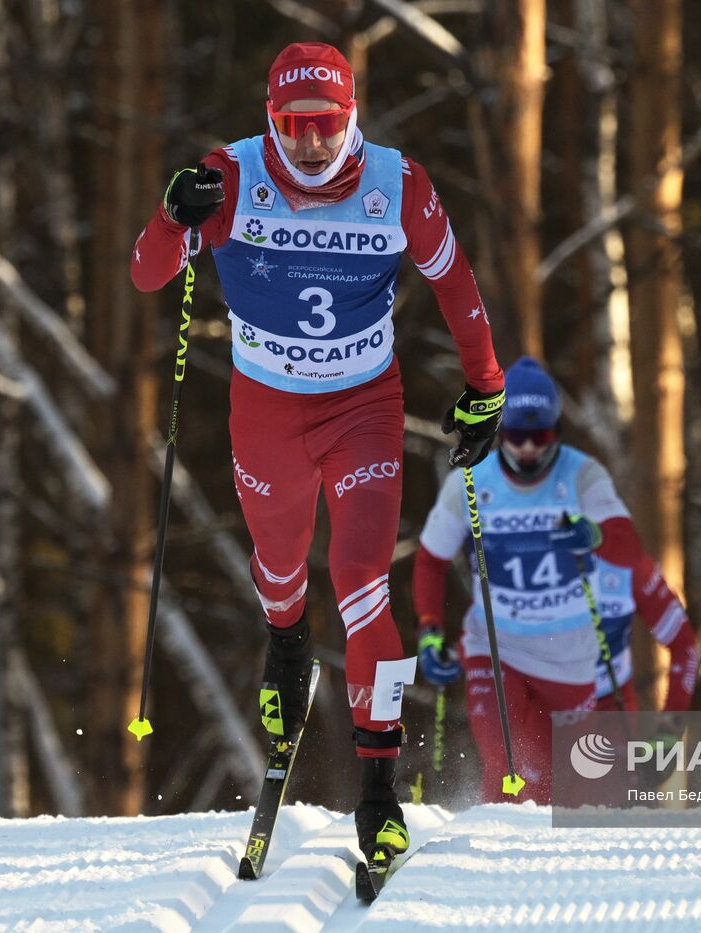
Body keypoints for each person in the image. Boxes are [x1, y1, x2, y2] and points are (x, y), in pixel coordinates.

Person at [130, 42, 504, 869]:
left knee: (367, 582)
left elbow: (457, 284)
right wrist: (170, 217)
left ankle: (379, 790)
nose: (310, 144)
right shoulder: (229, 178)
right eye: (294, 126)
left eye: (326, 125)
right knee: (280, 569)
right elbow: (148, 275)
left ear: (352, 117)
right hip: (266, 412)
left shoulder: (395, 183)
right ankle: (288, 643)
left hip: (364, 407)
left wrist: (488, 386)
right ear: (271, 120)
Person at [412, 357, 694, 803]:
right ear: (500, 433)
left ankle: (555, 865)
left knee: (557, 789)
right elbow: (430, 560)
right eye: (516, 436)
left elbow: (627, 546)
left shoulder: (582, 476)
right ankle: (489, 858)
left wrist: (596, 534)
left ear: (556, 432)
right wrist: (430, 630)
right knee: (510, 769)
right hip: (496, 649)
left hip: (571, 663)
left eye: (539, 436)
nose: (527, 448)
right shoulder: (471, 482)